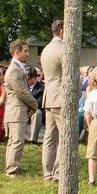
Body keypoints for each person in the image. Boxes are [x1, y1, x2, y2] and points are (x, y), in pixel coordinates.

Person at [4, 40, 37, 177]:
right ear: (17, 52)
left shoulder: (17, 68)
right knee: (16, 141)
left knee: (15, 140)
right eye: (25, 51)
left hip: (18, 109)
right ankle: (12, 170)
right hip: (16, 110)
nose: (28, 54)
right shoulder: (13, 70)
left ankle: (12, 167)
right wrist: (35, 105)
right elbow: (22, 92)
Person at [40, 19, 65, 182]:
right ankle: (58, 172)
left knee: (49, 137)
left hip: (49, 95)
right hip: (61, 96)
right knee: (64, 137)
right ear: (62, 31)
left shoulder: (46, 49)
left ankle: (47, 171)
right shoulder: (63, 49)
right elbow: (69, 74)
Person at [26, 67, 45, 144]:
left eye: (27, 79)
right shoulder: (23, 86)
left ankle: (33, 140)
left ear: (34, 78)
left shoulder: (41, 88)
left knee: (38, 113)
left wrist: (30, 111)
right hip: (25, 110)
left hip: (35, 110)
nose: (25, 81)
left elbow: (38, 104)